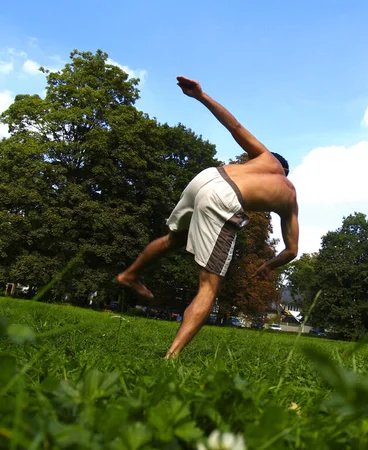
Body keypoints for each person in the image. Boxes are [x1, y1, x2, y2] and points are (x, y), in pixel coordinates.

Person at [117, 76, 299, 358]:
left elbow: (234, 126)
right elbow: (292, 250)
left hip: (207, 177)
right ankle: (172, 356)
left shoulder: (263, 156)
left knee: (173, 238)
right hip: (224, 198)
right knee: (209, 286)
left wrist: (201, 95)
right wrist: (269, 265)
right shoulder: (289, 196)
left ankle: (130, 274)